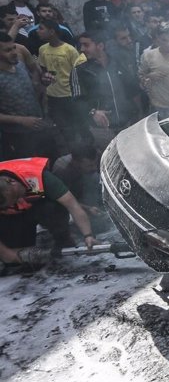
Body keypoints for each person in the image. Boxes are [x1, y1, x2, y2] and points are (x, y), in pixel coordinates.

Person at [0, 157, 97, 268]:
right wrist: (7, 254)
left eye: (17, 197)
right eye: (11, 204)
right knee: (17, 261)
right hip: (10, 218)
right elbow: (8, 255)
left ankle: (63, 237)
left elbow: (73, 205)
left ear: (12, 182)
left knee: (52, 207)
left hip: (36, 207)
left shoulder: (37, 176)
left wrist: (88, 235)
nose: (18, 203)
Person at [71, 31, 141, 150]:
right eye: (80, 45)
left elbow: (132, 89)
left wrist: (139, 113)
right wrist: (93, 112)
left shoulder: (118, 62)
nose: (82, 49)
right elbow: (77, 101)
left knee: (133, 152)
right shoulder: (79, 71)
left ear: (100, 46)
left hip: (128, 123)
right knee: (111, 159)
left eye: (86, 45)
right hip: (102, 129)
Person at [0, 32, 55, 161]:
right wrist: (21, 120)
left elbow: (34, 88)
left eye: (14, 47)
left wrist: (43, 81)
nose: (14, 52)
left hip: (40, 126)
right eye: (7, 50)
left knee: (50, 159)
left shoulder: (19, 65)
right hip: (17, 136)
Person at [37, 20, 82, 144]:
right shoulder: (42, 49)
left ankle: (84, 149)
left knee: (77, 124)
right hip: (53, 95)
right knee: (63, 126)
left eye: (41, 28)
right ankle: (71, 149)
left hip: (69, 95)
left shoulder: (69, 50)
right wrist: (44, 77)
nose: (37, 31)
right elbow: (43, 69)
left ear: (52, 32)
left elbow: (79, 71)